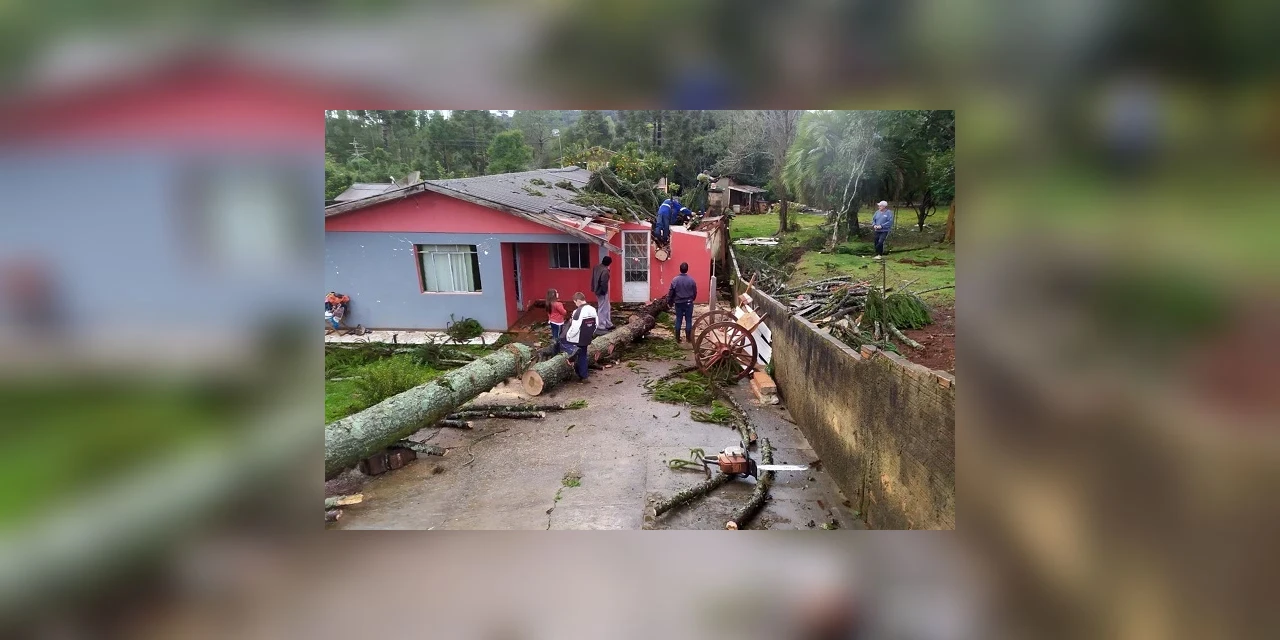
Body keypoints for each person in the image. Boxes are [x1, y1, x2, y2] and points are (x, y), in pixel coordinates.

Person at [562, 292, 598, 382]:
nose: (575, 304)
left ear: (578, 301)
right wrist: (590, 333)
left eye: (575, 302)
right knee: (583, 355)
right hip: (587, 337)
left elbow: (575, 327)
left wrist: (568, 336)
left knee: (562, 344)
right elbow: (596, 324)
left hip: (577, 338)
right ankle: (584, 376)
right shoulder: (593, 309)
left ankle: (572, 357)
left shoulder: (577, 311)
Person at [666, 261, 698, 344]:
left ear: (680, 269)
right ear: (687, 269)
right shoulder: (692, 280)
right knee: (688, 320)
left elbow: (671, 292)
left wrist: (670, 301)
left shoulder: (675, 280)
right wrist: (692, 299)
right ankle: (688, 338)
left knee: (679, 320)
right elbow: (695, 292)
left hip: (678, 303)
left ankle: (677, 338)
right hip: (688, 303)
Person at [591, 255, 615, 332]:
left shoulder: (596, 267)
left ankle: (608, 324)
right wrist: (603, 292)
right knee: (602, 308)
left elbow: (593, 278)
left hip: (596, 290)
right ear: (609, 263)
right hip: (602, 291)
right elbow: (603, 283)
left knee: (607, 307)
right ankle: (601, 325)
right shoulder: (605, 271)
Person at [545, 288, 567, 354]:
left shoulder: (548, 303)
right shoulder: (558, 304)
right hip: (558, 323)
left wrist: (550, 319)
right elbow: (564, 312)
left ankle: (554, 349)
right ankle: (556, 351)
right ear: (554, 295)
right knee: (558, 337)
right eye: (556, 292)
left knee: (554, 335)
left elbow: (548, 313)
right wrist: (565, 310)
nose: (558, 294)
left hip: (552, 322)